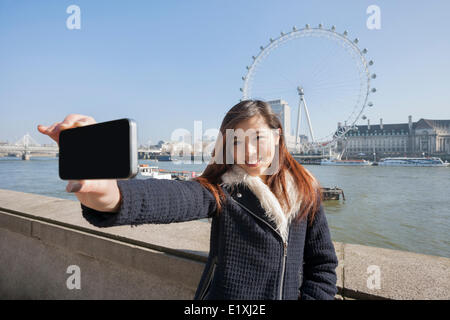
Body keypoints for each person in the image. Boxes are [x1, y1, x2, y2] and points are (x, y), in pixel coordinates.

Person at [37, 100, 338, 300]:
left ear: (276, 135)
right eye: (236, 141)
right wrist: (111, 195)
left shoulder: (305, 190)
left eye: (258, 138)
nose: (249, 152)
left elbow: (322, 266)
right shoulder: (221, 190)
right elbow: (177, 197)